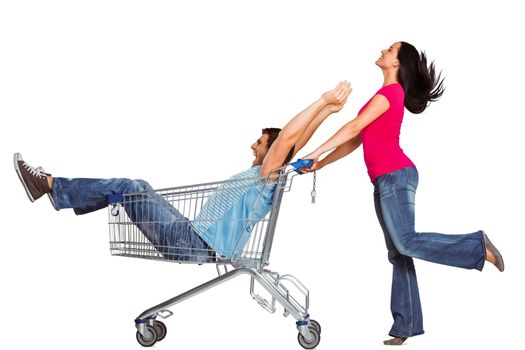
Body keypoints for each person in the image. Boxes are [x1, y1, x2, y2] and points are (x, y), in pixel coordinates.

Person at [301, 42, 504, 345]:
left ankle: (477, 245)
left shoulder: (391, 93)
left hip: (395, 177)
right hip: (386, 180)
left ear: (397, 63)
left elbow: (354, 126)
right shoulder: (382, 96)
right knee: (399, 252)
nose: (383, 50)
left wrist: (315, 151)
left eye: (391, 49)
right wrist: (322, 163)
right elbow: (356, 138)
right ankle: (405, 325)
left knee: (406, 242)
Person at [14, 81, 352, 262]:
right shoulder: (268, 176)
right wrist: (328, 112)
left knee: (128, 185)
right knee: (137, 185)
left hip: (191, 242)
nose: (254, 145)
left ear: (271, 153)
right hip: (191, 234)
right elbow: (293, 141)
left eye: (261, 143)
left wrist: (321, 101)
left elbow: (289, 139)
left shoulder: (267, 175)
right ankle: (64, 195)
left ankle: (49, 186)